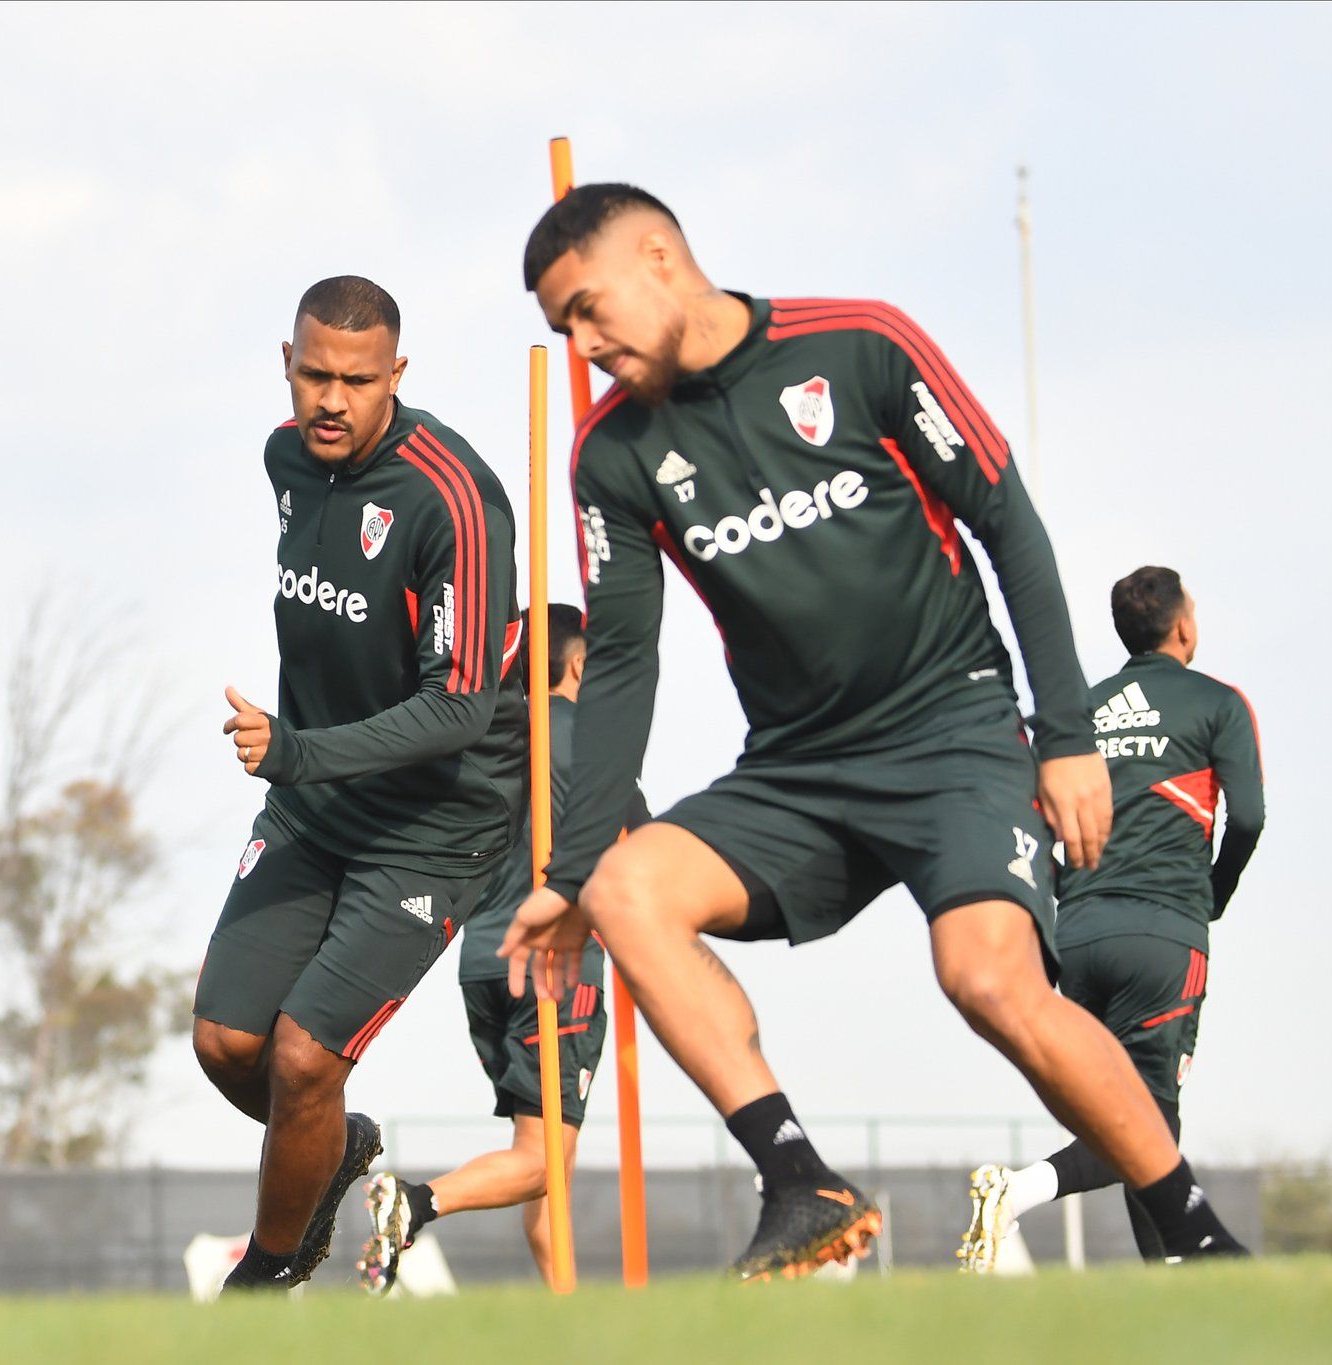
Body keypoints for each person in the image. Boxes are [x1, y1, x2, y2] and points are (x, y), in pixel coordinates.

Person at [499, 183, 1246, 1281]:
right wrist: (564, 871)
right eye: (558, 326)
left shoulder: (856, 346)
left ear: (658, 257)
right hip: (795, 773)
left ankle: (1194, 1235)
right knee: (624, 891)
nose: (581, 342)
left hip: (954, 734)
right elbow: (617, 661)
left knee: (987, 980)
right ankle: (801, 1182)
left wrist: (1066, 734)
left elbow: (1006, 522)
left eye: (587, 308)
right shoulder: (610, 457)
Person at [194, 276, 524, 1291]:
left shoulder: (455, 503)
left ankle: (267, 1274)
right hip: (311, 808)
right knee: (224, 1043)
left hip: (431, 828)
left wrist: (294, 750)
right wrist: (304, 769)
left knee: (302, 1061)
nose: (329, 400)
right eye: (313, 375)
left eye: (356, 379)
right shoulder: (284, 459)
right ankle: (332, 1150)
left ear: (396, 376)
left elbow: (458, 710)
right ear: (285, 367)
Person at [960, 568, 1264, 1269]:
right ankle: (1018, 1189)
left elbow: (1031, 819)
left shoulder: (1084, 711)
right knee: (1147, 1122)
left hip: (1080, 934)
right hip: (1162, 931)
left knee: (1133, 1110)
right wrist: (1211, 893)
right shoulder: (1217, 702)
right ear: (1183, 625)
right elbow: (1246, 814)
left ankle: (1169, 1279)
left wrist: (1066, 896)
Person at [358, 605, 648, 1294]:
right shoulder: (593, 738)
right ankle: (416, 1204)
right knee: (544, 1160)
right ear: (579, 663)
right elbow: (644, 851)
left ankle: (565, 1318)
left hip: (484, 965)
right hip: (559, 967)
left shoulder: (484, 739)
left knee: (544, 1168)